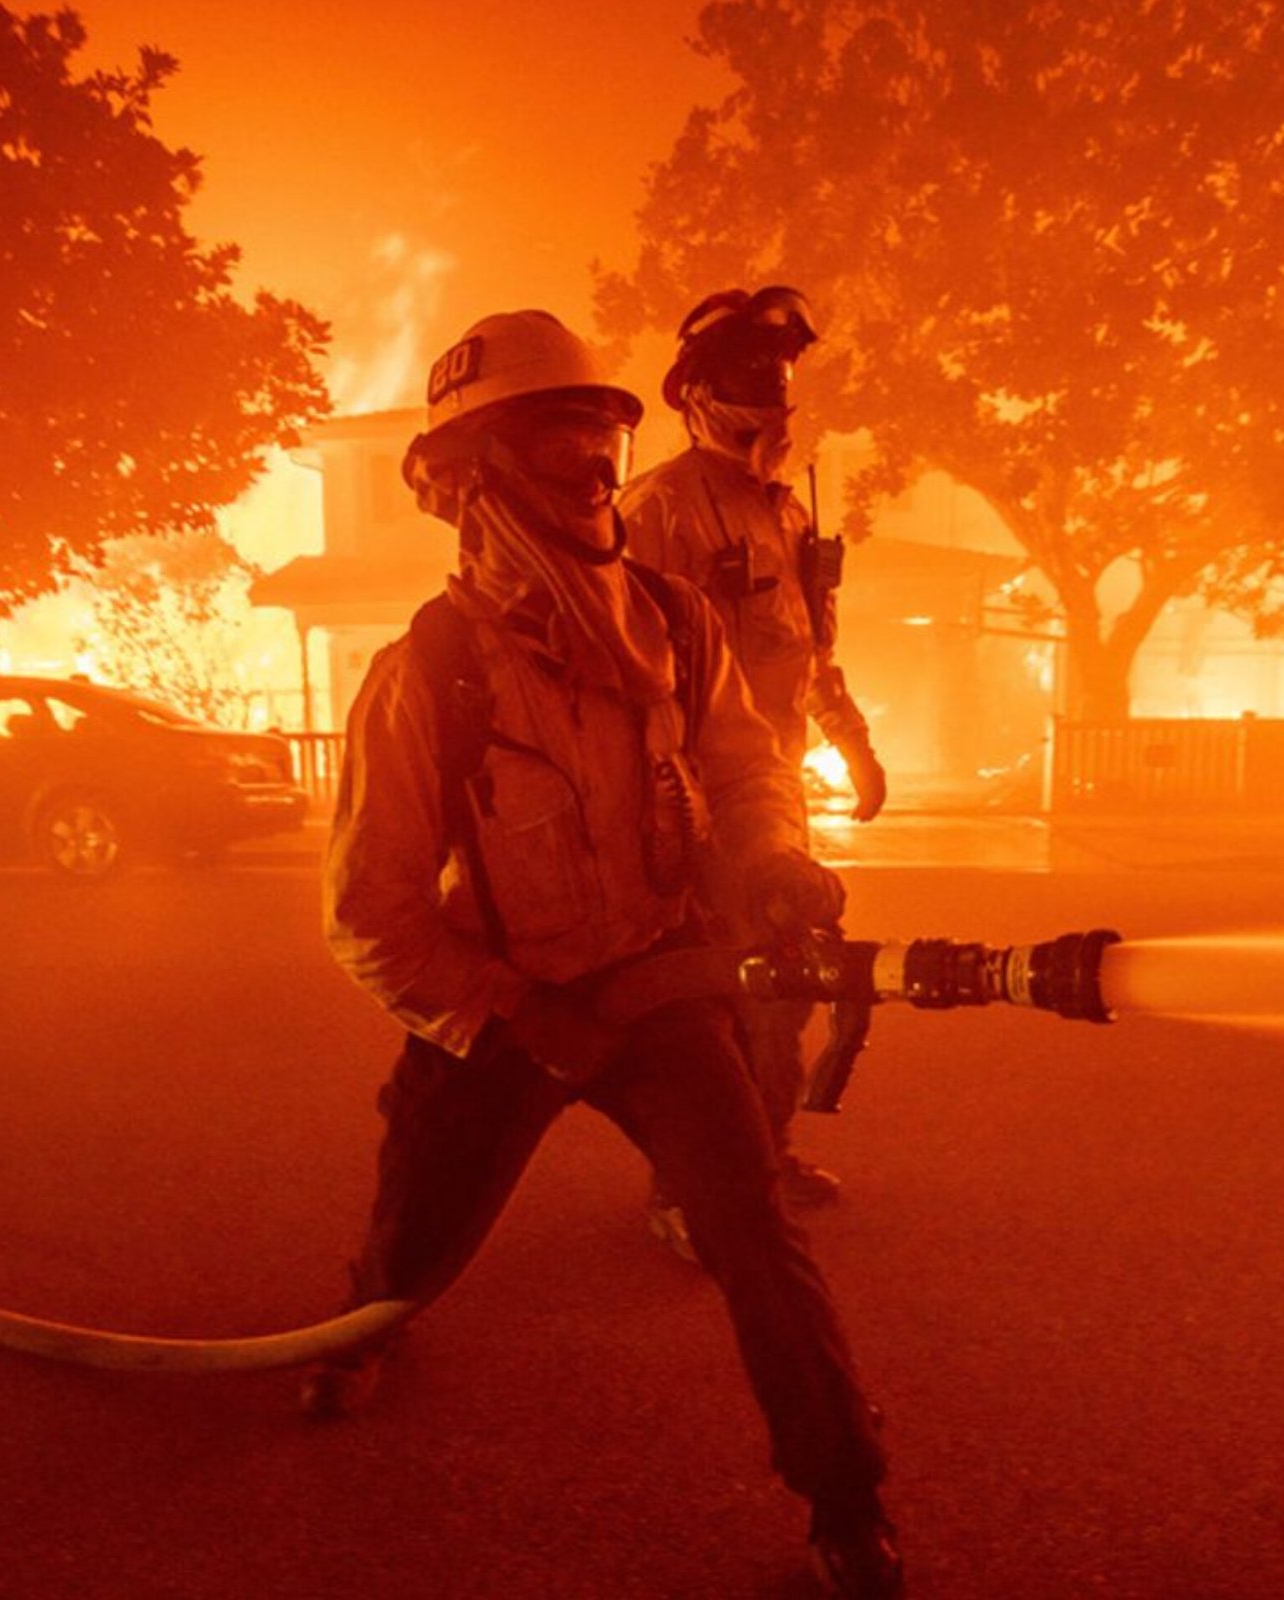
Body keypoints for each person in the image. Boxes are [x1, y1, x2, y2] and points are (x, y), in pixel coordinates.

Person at [308, 309, 903, 1598]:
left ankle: (846, 1499)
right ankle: (362, 1329)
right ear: (472, 480)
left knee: (753, 1232)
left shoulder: (677, 625)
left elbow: (745, 770)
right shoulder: (428, 673)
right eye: (556, 444)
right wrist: (515, 1015)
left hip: (654, 985)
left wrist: (770, 860)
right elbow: (370, 914)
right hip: (500, 1006)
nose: (592, 472)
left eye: (601, 441)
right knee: (415, 1234)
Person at [621, 286, 888, 1243]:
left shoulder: (784, 512)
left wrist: (851, 741)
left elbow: (808, 646)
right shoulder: (658, 510)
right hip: (697, 802)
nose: (772, 390)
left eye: (779, 373)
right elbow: (627, 670)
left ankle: (760, 1155)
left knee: (788, 984)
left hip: (776, 797)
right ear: (696, 393)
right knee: (713, 1005)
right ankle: (686, 1191)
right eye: (750, 373)